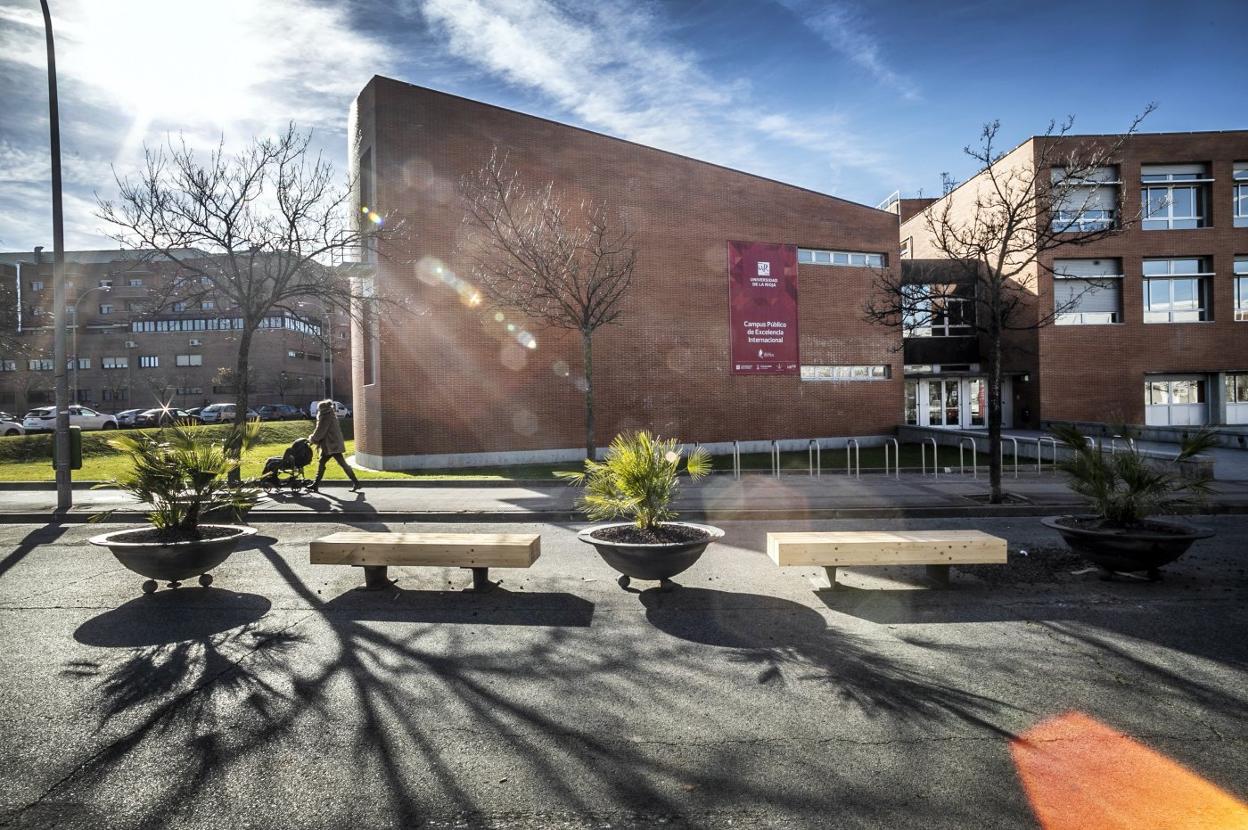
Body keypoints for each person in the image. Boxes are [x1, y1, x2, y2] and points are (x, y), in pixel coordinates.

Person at [307, 399, 361, 492]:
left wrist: (312, 439)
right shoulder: (331, 415)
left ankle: (356, 483)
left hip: (331, 445)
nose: (318, 411)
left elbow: (320, 430)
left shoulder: (325, 417)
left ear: (322, 409)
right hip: (332, 444)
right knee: (326, 463)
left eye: (319, 409)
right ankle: (315, 485)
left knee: (338, 464)